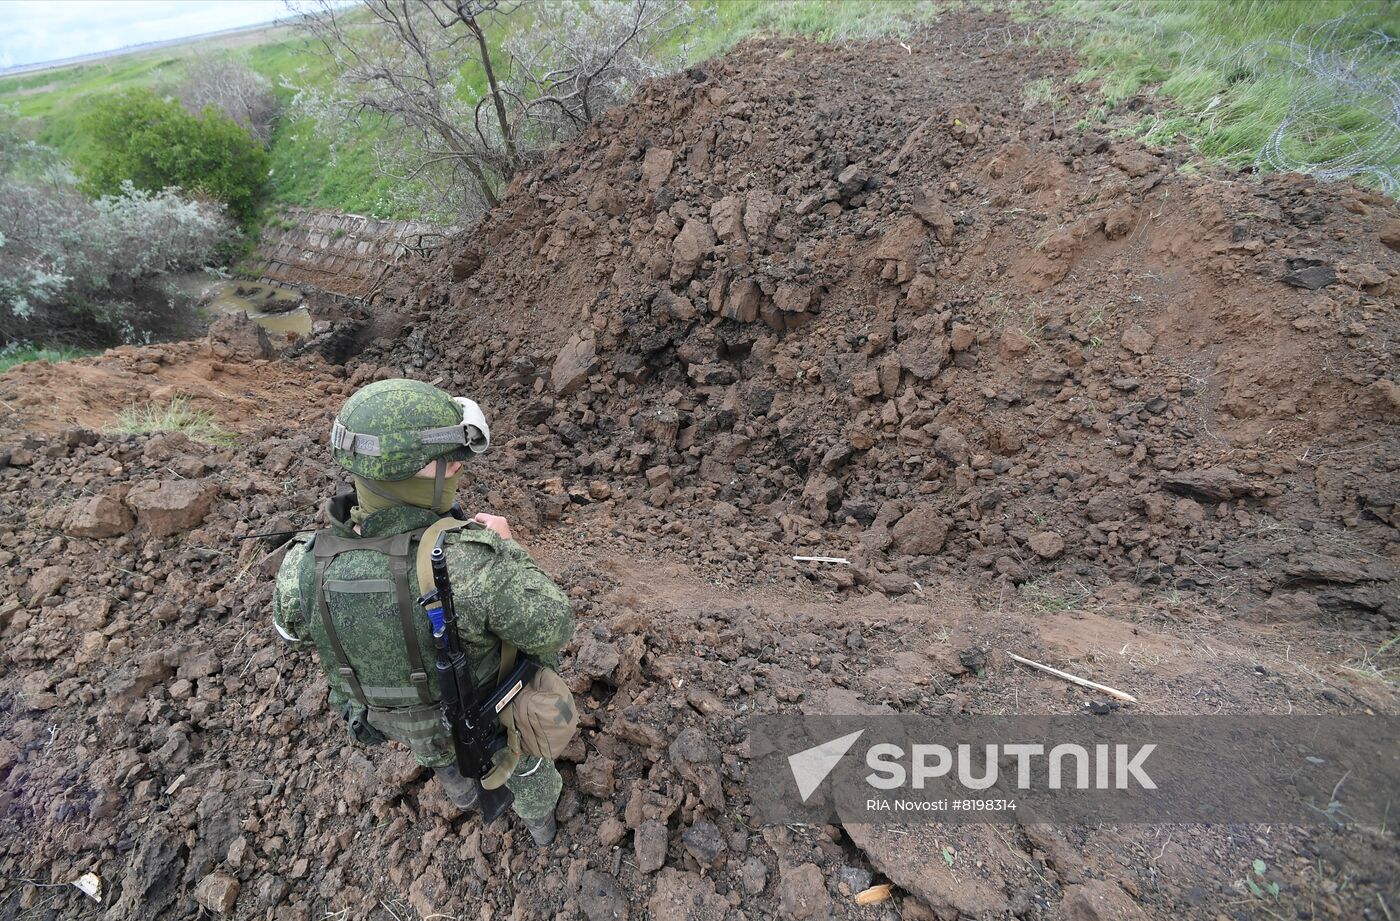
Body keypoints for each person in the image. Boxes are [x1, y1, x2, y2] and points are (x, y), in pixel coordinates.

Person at [271, 378, 576, 845]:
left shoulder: (303, 564)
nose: (457, 466)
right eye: (449, 460)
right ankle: (542, 827)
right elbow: (554, 628)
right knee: (525, 762)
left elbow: (293, 633)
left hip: (393, 720)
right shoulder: (471, 562)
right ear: (417, 472)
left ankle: (464, 797)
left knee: (441, 758)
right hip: (488, 715)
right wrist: (508, 549)